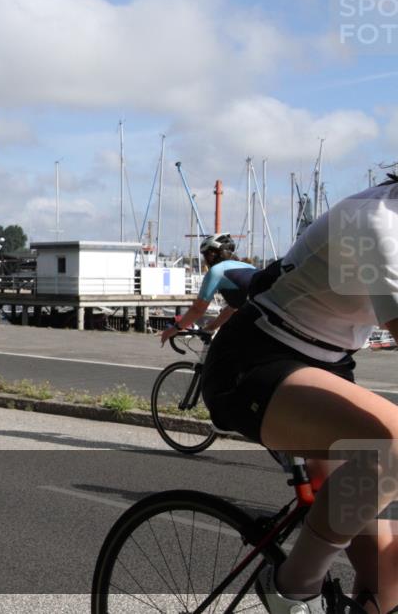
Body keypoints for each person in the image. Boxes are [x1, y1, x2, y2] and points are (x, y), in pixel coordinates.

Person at [199, 175, 398, 614]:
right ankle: (290, 588)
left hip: (330, 368)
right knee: (392, 440)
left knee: (388, 575)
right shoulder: (377, 222)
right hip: (256, 360)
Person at [158, 233, 255, 345]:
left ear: (213, 254)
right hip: (266, 318)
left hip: (258, 321)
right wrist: (211, 327)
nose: (205, 261)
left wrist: (174, 329)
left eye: (205, 256)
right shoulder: (249, 267)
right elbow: (232, 308)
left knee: (221, 348)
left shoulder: (217, 270)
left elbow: (198, 309)